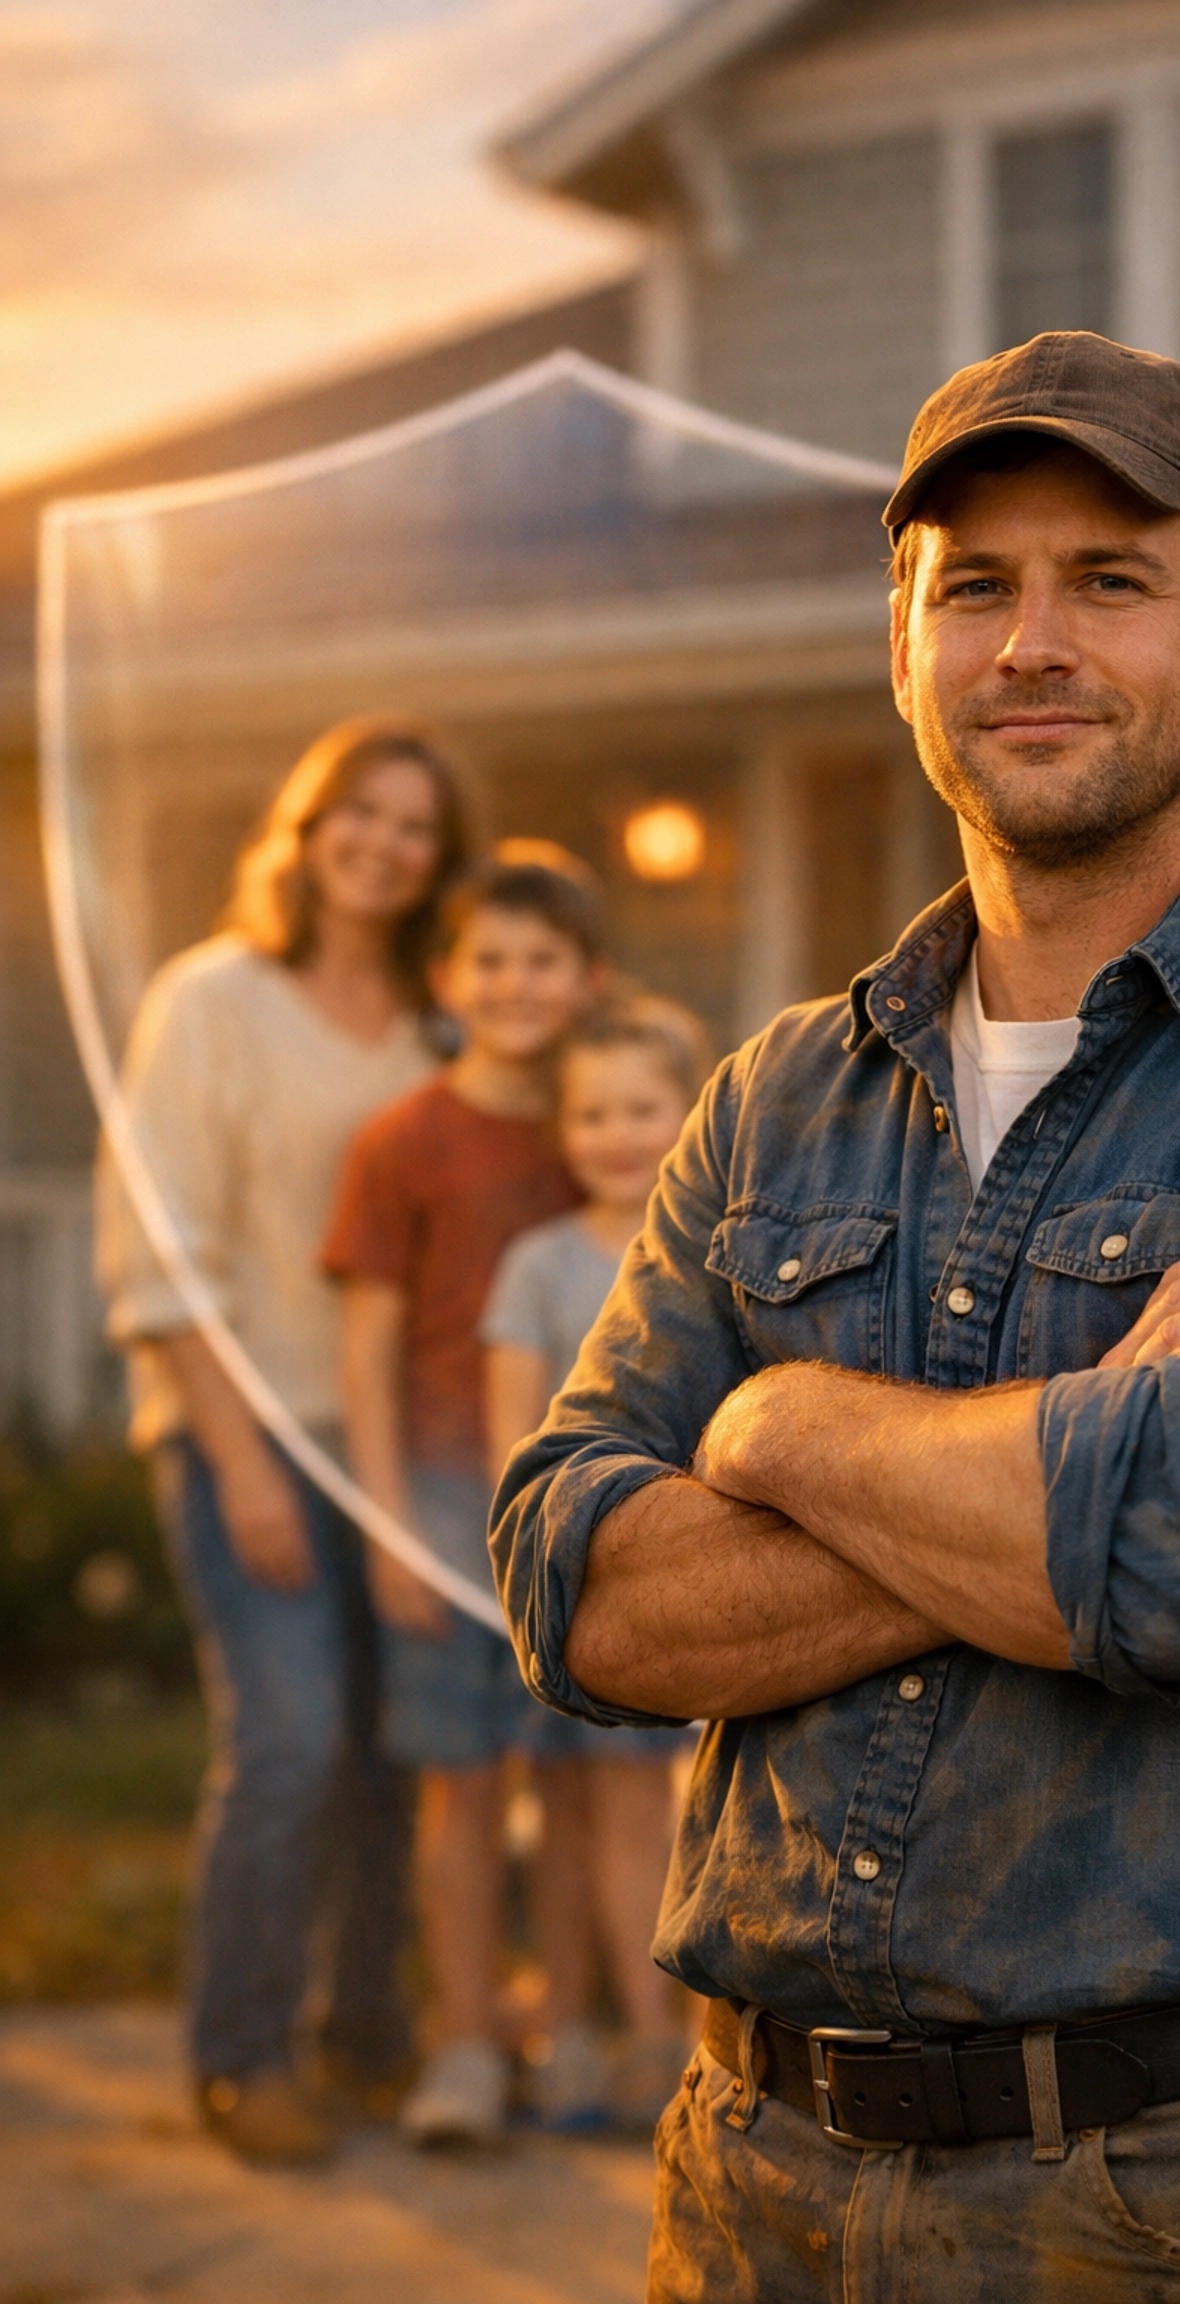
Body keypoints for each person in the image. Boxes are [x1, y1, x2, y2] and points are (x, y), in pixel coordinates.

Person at [496, 333, 1180, 2300]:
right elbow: (585, 1594)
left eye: (1109, 580)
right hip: (753, 2192)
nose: (1030, 641)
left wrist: (785, 1436)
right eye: (974, 585)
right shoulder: (773, 1096)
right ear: (906, 650)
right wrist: (1087, 1426)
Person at [97, 714, 472, 2166]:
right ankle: (241, 2056)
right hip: (243, 1428)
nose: (381, 845)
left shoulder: (446, 1022)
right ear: (306, 832)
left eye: (413, 825)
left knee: (395, 1753)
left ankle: (365, 2037)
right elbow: (157, 1253)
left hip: (404, 1450)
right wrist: (240, 1461)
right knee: (293, 1744)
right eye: (356, 815)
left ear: (441, 858)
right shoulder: (213, 1000)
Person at [322, 847, 603, 2146]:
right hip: (439, 1494)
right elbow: (368, 1348)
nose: (514, 984)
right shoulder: (406, 1139)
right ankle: (468, 2041)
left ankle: (572, 2028)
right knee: (465, 1784)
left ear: (586, 979)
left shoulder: (606, 1126)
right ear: (448, 979)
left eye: (541, 960)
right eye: (488, 960)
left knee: (586, 1780)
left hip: (590, 1497)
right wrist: (383, 1519)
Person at [482, 1004, 706, 2134]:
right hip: (550, 1586)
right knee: (557, 1811)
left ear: (690, 1111)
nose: (619, 1134)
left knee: (634, 1811)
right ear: (561, 1128)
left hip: (659, 1587)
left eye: (642, 1109)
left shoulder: (708, 1253)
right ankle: (566, 2028)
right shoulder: (536, 1263)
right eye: (592, 1113)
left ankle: (659, 2041)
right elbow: (511, 1440)